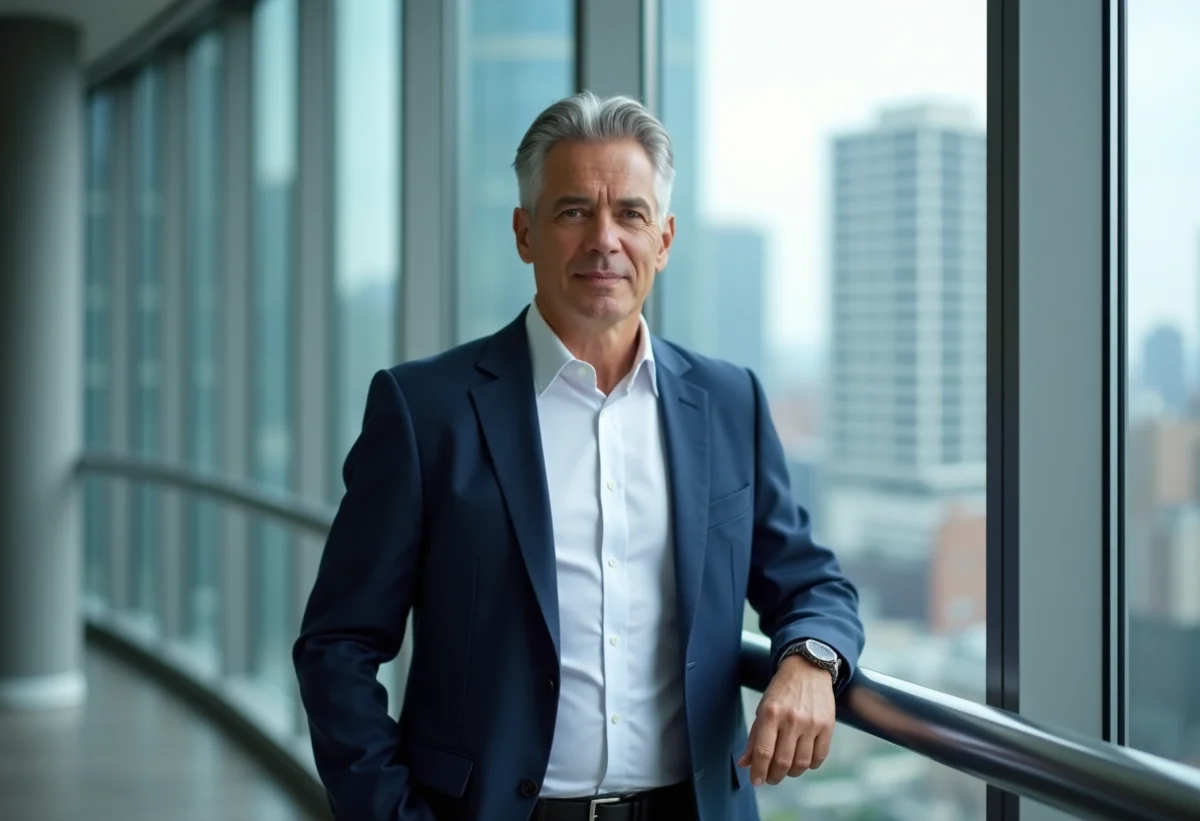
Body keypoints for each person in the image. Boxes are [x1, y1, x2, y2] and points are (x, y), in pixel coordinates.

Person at [294, 91, 864, 821]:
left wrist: (811, 660)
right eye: (573, 212)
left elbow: (811, 579)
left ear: (664, 238)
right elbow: (337, 645)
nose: (604, 239)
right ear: (525, 232)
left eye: (630, 212)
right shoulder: (424, 410)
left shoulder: (729, 403)